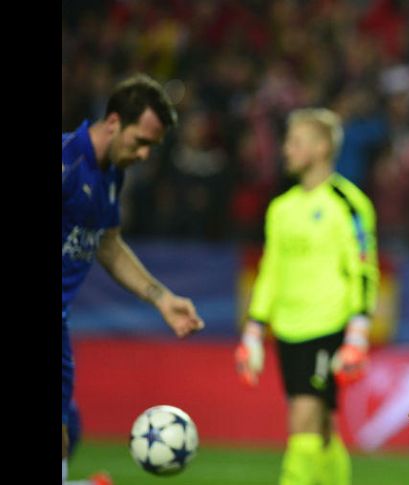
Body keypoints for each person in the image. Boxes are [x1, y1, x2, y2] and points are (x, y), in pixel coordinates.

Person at [62, 73, 205, 483]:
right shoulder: (68, 163)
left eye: (152, 147)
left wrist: (161, 298)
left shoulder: (110, 173)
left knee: (71, 426)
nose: (143, 154)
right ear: (113, 122)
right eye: (140, 141)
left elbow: (108, 244)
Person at [235, 108, 379, 485]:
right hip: (288, 330)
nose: (286, 149)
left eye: (295, 141)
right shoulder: (281, 208)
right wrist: (254, 330)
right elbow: (270, 272)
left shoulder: (348, 203)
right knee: (323, 424)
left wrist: (358, 334)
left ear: (321, 147)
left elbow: (364, 270)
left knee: (302, 421)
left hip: (328, 326)